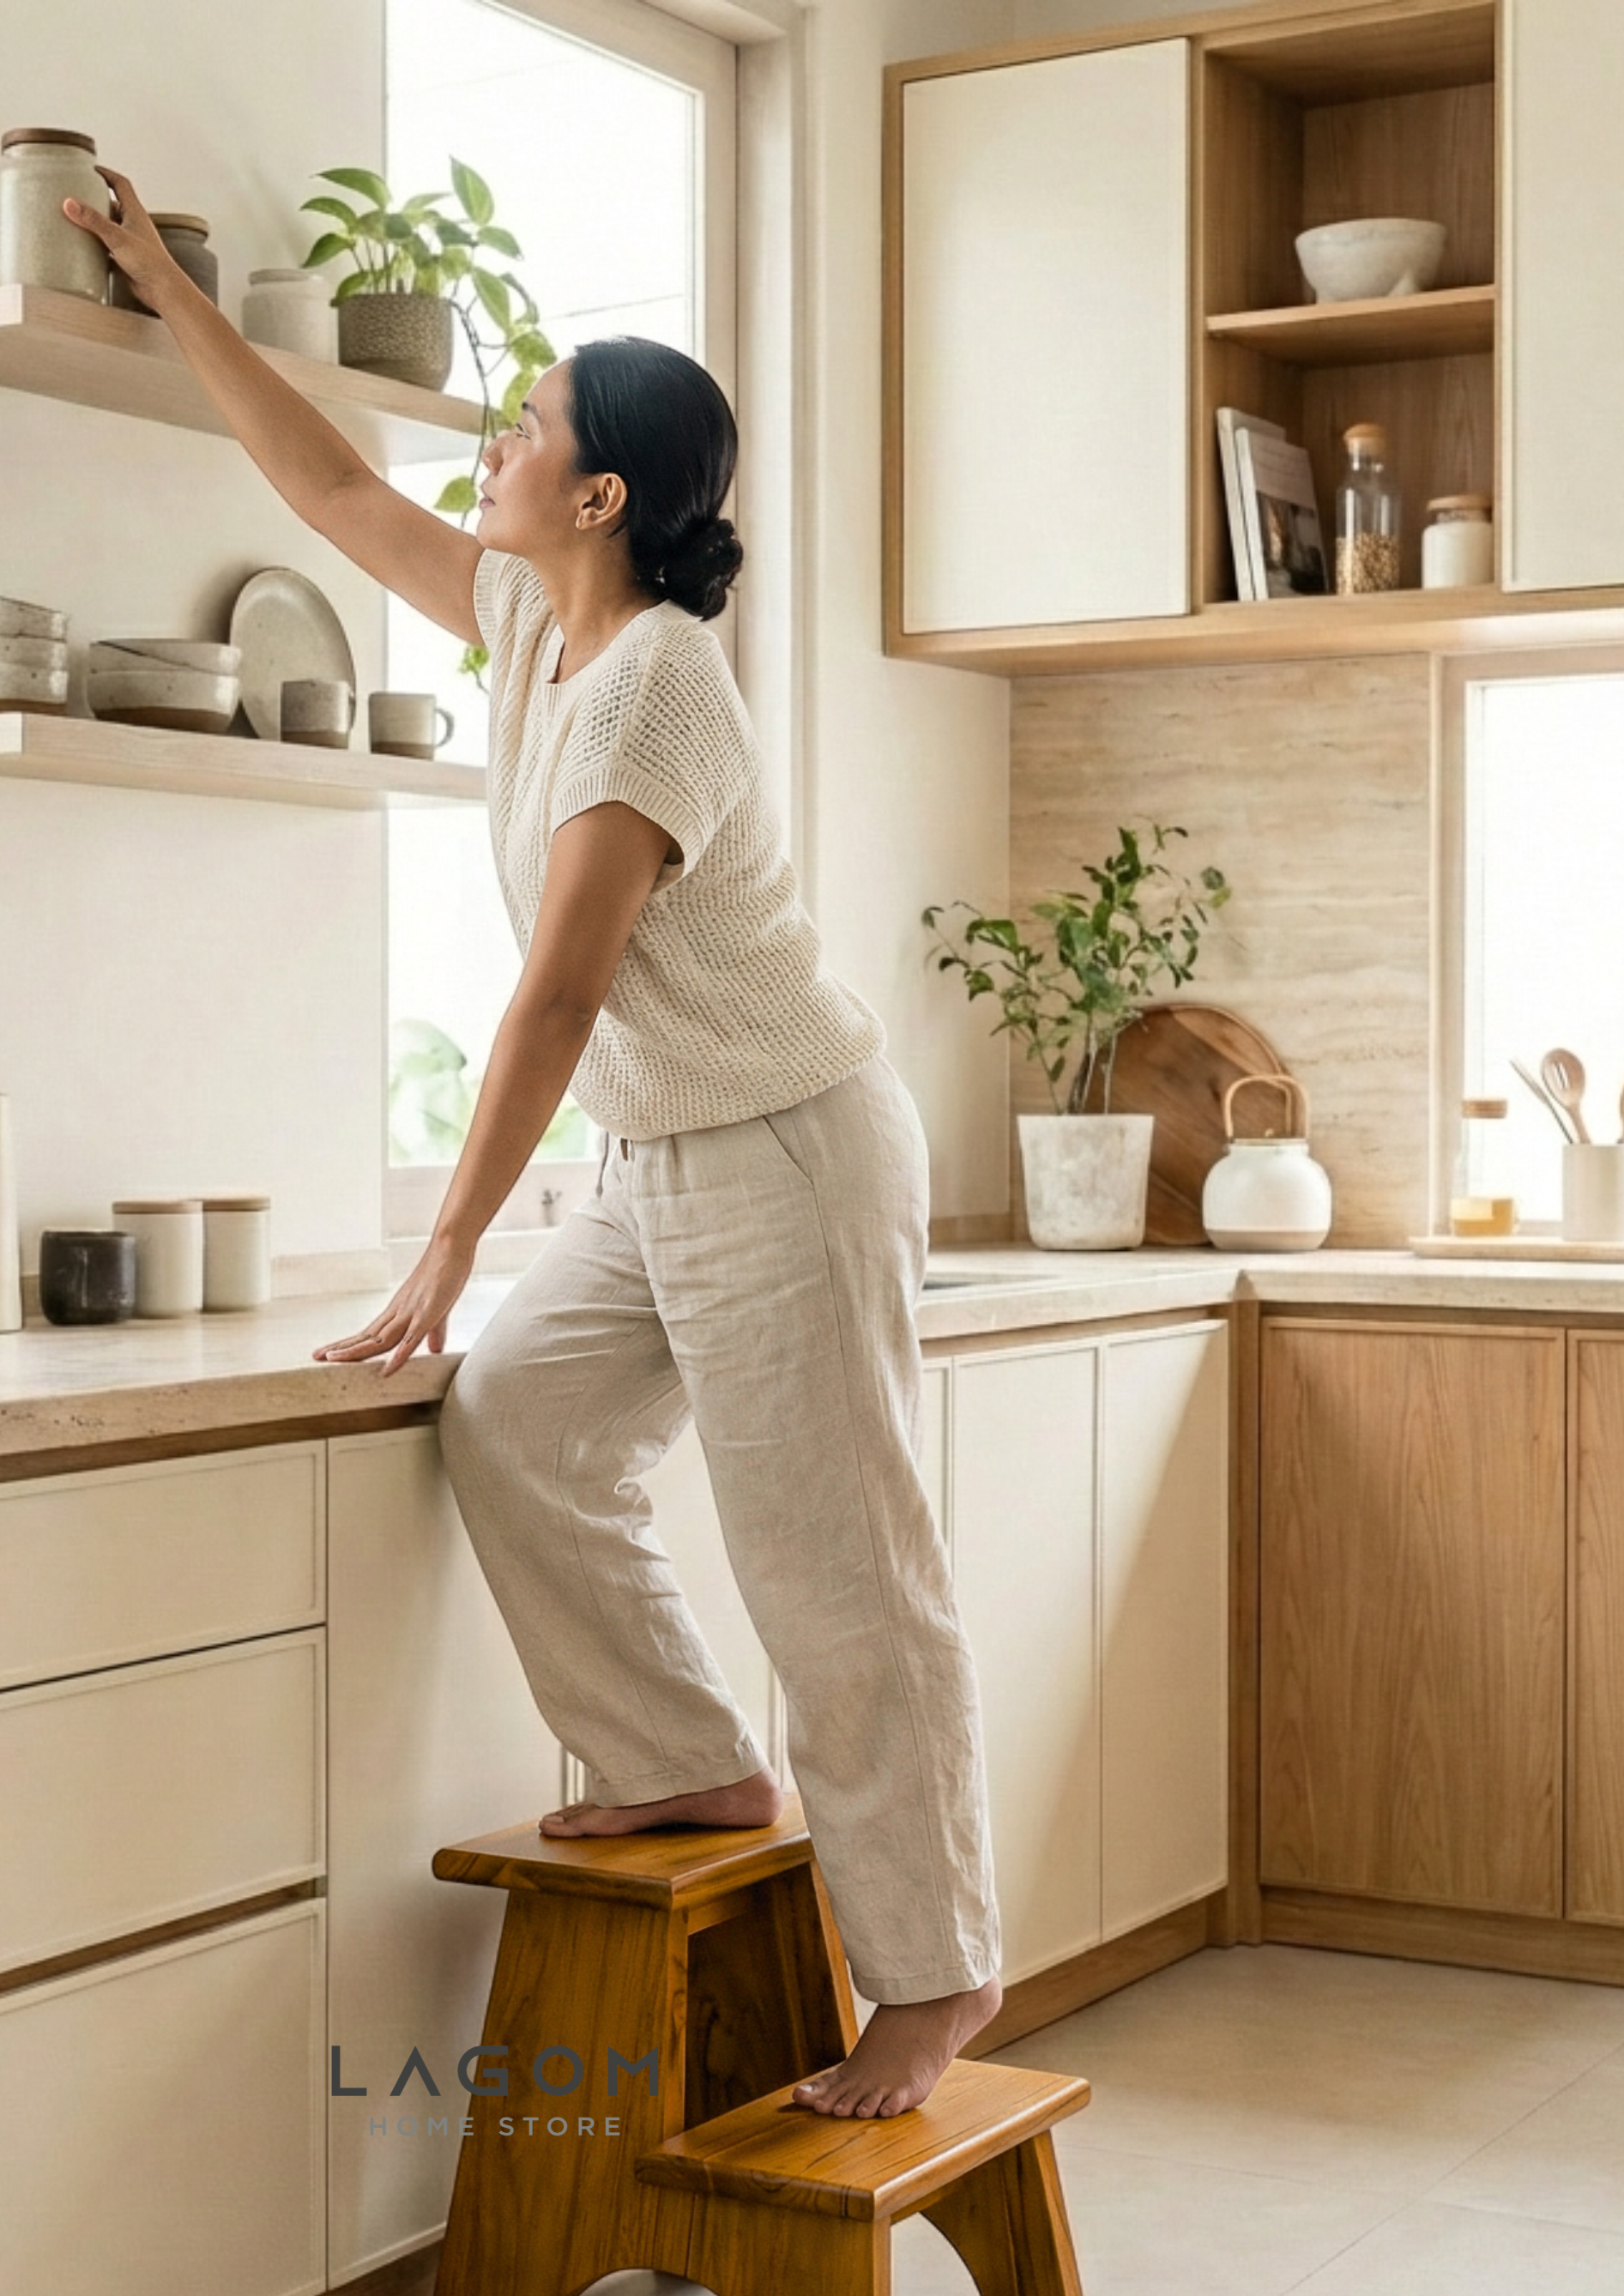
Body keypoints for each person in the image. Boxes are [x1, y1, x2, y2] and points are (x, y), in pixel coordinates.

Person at [65, 171, 1002, 2118]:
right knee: (519, 1424)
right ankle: (681, 1755)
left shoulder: (656, 685)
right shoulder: (522, 624)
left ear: (603, 499)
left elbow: (558, 1003)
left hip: (787, 1149)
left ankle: (932, 1979)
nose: (493, 442)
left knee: (838, 1574)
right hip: (665, 1159)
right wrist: (169, 293)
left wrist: (440, 1250)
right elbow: (329, 491)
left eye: (531, 424)